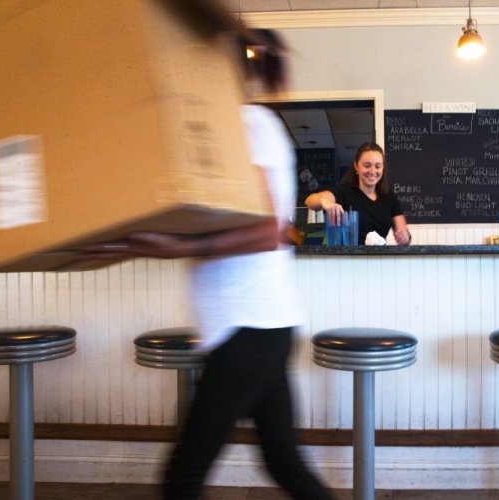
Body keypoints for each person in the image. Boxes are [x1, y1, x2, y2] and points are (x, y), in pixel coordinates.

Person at [82, 21, 334, 500]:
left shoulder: (248, 125)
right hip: (259, 326)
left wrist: (176, 248)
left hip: (249, 331)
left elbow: (267, 231)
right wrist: (134, 241)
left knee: (182, 478)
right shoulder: (236, 129)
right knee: (283, 464)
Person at [304, 142, 411, 246]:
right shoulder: (344, 192)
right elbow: (310, 200)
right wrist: (324, 202)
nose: (373, 171)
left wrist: (405, 237)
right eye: (367, 165)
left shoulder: (390, 199)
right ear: (356, 166)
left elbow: (404, 235)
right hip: (350, 261)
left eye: (378, 166)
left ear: (383, 168)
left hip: (379, 260)